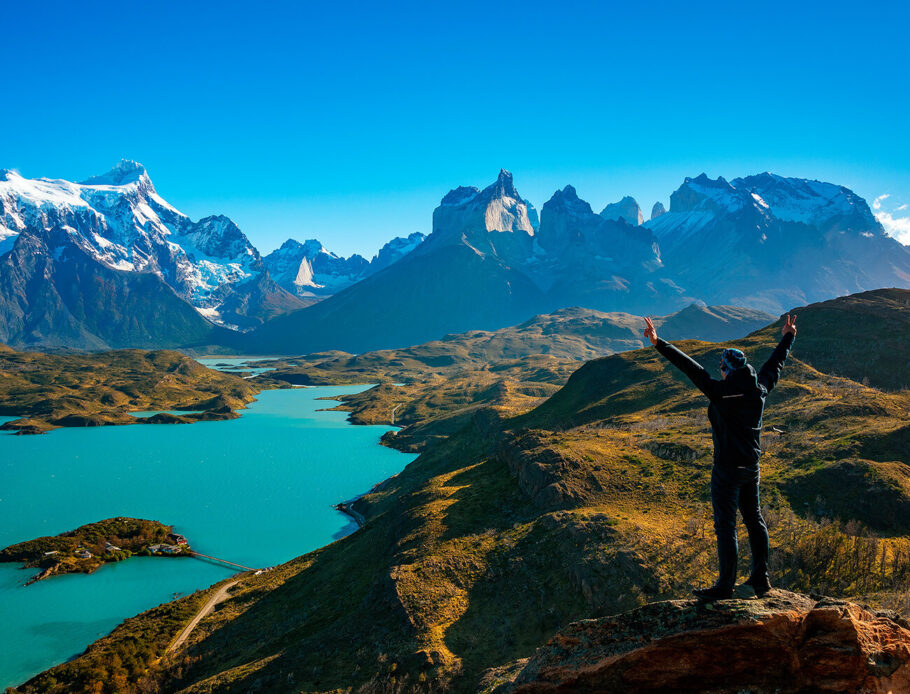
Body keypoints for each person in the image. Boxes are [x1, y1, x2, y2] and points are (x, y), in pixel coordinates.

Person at [643, 314, 797, 600]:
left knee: (726, 526)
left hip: (726, 470)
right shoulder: (759, 389)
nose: (720, 372)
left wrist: (658, 343)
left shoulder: (720, 391)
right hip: (751, 467)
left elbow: (690, 368)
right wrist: (788, 337)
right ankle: (761, 579)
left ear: (727, 369)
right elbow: (775, 365)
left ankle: (725, 585)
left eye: (722, 368)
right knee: (754, 519)